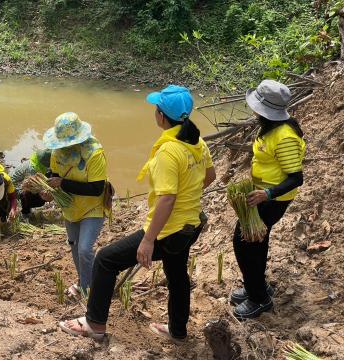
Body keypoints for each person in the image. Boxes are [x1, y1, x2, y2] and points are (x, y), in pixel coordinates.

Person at [58, 85, 216, 343]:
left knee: (106, 260)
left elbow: (166, 199)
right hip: (190, 225)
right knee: (177, 274)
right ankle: (178, 331)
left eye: (156, 108)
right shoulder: (196, 142)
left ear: (161, 116)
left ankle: (94, 324)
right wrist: (187, 199)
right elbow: (209, 177)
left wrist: (149, 239)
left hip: (169, 229)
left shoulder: (169, 150)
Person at [230, 80, 305, 320]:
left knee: (246, 243)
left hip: (272, 199)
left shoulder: (284, 136)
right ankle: (258, 287)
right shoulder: (270, 127)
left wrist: (267, 194)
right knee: (253, 242)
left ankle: (259, 299)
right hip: (260, 195)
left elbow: (296, 178)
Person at [43, 112, 108, 296]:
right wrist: (49, 192)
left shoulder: (94, 153)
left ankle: (90, 291)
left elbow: (97, 188)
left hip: (92, 206)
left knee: (85, 249)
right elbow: (53, 177)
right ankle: (85, 281)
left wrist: (62, 184)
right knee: (74, 246)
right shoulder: (56, 153)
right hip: (70, 208)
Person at [10, 149, 52, 217]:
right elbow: (30, 187)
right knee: (38, 199)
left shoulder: (36, 162)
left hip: (21, 182)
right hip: (13, 188)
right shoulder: (33, 169)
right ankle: (25, 212)